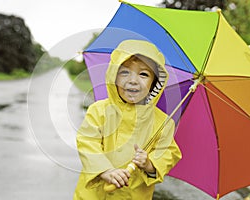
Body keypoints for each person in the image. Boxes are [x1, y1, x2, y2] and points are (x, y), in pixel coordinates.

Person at [73, 39, 182, 200]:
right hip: (93, 195)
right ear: (113, 76)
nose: (133, 80)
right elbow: (87, 142)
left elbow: (168, 153)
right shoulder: (99, 110)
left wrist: (149, 164)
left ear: (154, 83)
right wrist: (105, 170)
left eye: (143, 74)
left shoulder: (163, 123)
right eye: (124, 72)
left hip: (134, 195)